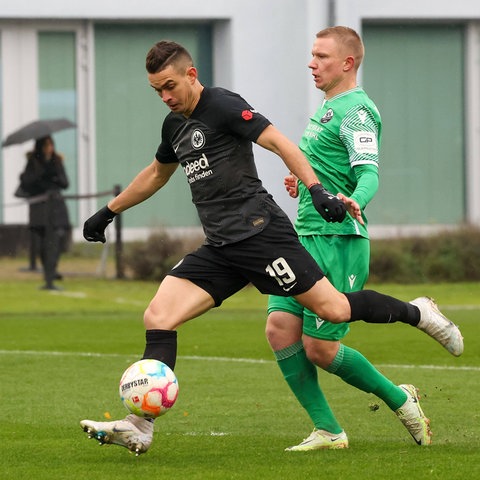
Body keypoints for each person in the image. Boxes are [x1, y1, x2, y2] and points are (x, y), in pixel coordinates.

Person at [79, 40, 463, 456]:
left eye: (170, 86)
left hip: (261, 237)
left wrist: (317, 191)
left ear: (191, 74)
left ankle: (418, 312)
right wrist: (108, 211)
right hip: (222, 247)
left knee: (332, 310)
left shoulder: (224, 105)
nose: (165, 97)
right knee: (158, 315)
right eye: (157, 91)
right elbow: (157, 173)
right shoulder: (174, 126)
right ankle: (140, 426)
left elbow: (280, 143)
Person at [264, 26, 464, 451]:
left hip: (338, 238)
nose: (311, 63)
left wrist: (354, 200)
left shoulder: (357, 110)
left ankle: (399, 396)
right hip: (303, 235)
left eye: (321, 56)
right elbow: (324, 166)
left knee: (319, 348)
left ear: (347, 63)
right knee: (280, 327)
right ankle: (329, 431)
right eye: (312, 55)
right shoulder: (328, 108)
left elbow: (368, 172)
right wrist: (303, 183)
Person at [18, 135, 70, 290]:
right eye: (46, 145)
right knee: (42, 244)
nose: (50, 148)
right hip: (39, 208)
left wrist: (52, 174)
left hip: (56, 207)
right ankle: (48, 274)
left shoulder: (57, 162)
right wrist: (41, 175)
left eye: (51, 145)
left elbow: (65, 183)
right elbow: (27, 182)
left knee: (56, 240)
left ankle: (51, 271)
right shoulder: (32, 163)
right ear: (40, 146)